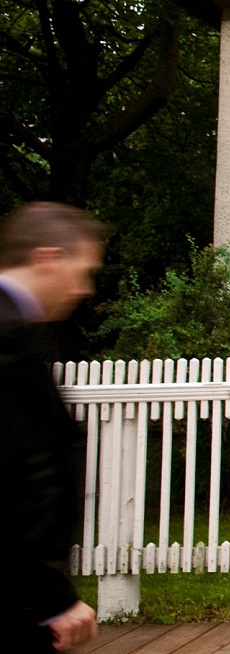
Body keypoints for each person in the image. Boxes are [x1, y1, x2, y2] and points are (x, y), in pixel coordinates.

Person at [0, 202, 105, 652]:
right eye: (82, 270)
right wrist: (51, 596)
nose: (85, 289)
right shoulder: (5, 337)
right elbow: (16, 472)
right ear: (47, 258)